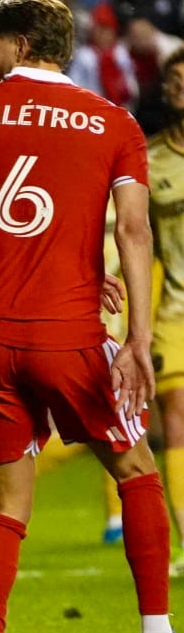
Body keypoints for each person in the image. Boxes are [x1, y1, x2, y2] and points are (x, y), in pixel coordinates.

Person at [0, 0, 182, 633]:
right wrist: (135, 337)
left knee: (4, 508)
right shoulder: (112, 122)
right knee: (136, 472)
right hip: (67, 338)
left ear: (19, 42)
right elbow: (132, 230)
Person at [141, 51, 184, 576]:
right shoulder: (150, 160)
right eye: (172, 80)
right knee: (176, 414)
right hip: (175, 308)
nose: (178, 87)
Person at [69, 3, 139, 108]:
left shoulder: (121, 53)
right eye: (100, 29)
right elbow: (74, 85)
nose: (103, 34)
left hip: (120, 106)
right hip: (90, 106)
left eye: (107, 30)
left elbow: (131, 86)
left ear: (114, 31)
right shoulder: (84, 55)